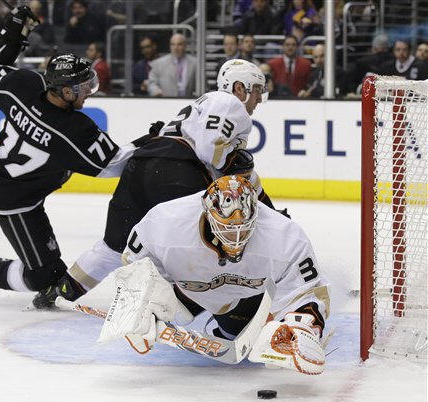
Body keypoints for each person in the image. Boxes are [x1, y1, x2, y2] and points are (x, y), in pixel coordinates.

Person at [31, 59, 284, 310]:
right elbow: (210, 151)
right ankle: (192, 307)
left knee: (112, 248)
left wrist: (267, 205)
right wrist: (233, 162)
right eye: (257, 90)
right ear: (239, 88)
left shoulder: (203, 104)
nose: (259, 98)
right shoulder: (229, 103)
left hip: (140, 167)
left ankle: (60, 291)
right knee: (199, 247)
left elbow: (240, 174)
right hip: (177, 175)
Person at [0, 6, 144, 304]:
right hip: (13, 198)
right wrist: (155, 141)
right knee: (46, 277)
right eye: (83, 86)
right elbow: (115, 165)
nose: (89, 91)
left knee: (50, 270)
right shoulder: (72, 129)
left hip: (10, 177)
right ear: (66, 92)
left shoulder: (25, 84)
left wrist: (12, 40)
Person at [102, 175, 329, 374]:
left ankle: (231, 323)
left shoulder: (286, 237)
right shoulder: (164, 222)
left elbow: (309, 291)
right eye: (227, 228)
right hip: (187, 288)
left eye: (244, 227)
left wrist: (302, 328)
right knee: (162, 300)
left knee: (249, 341)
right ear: (208, 214)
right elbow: (135, 264)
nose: (236, 238)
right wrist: (137, 305)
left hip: (248, 296)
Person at [147, 33, 196, 97]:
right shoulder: (159, 63)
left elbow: (201, 86)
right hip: (166, 101)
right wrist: (156, 91)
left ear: (185, 46)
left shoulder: (195, 63)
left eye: (179, 44)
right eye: (173, 44)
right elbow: (151, 83)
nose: (176, 48)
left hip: (188, 101)